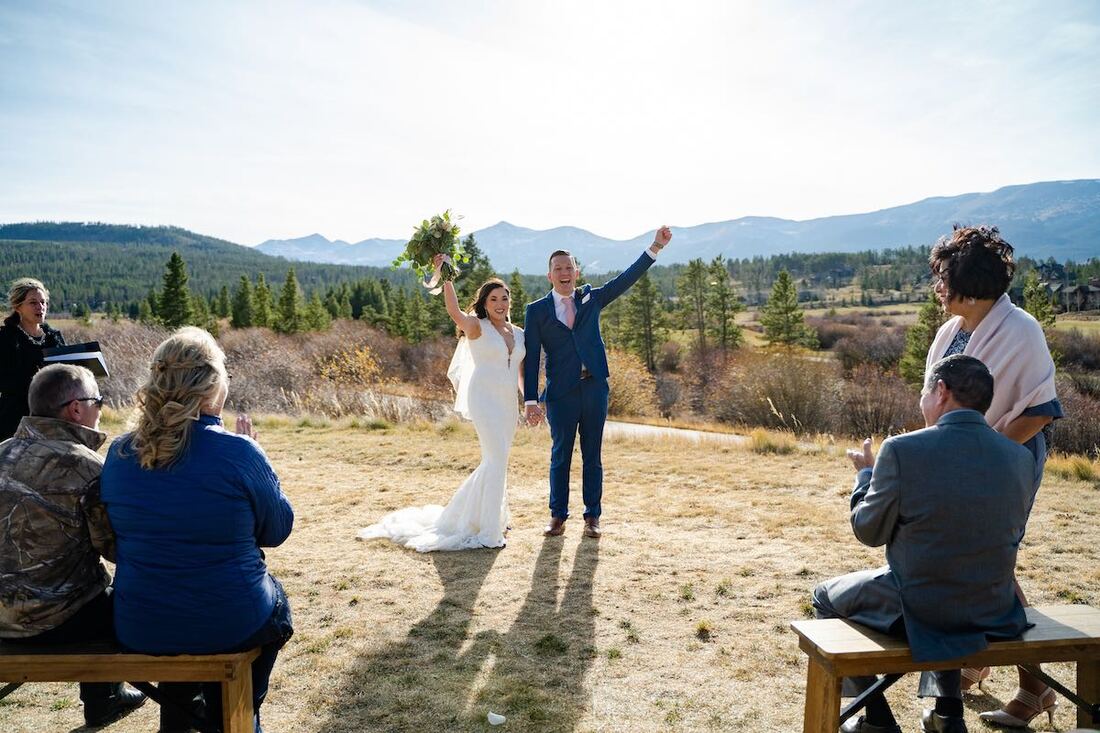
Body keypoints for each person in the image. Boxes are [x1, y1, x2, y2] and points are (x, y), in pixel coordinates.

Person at [812, 355, 1040, 733]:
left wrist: (864, 477)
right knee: (948, 585)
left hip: (922, 608)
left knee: (824, 596)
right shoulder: (1019, 456)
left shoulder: (902, 450)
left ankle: (876, 721)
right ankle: (948, 713)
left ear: (941, 391)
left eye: (923, 392)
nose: (922, 402)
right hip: (995, 609)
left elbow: (868, 531)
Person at [100, 327, 294, 733]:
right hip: (231, 619)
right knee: (277, 605)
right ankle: (235, 715)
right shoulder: (238, 451)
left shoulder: (119, 454)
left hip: (142, 624)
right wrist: (256, 462)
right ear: (212, 383)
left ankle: (181, 719)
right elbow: (276, 530)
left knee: (183, 608)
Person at [924, 225, 1061, 726]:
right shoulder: (950, 332)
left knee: (991, 561)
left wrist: (982, 456)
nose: (937, 287)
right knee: (973, 559)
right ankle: (985, 665)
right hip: (956, 462)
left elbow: (1041, 409)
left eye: (942, 277)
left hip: (1008, 459)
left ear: (968, 281)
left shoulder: (1022, 329)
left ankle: (1029, 687)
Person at [0, 364, 146, 728]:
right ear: (75, 409)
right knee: (130, 593)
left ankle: (108, 695)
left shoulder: (1, 451)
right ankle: (110, 699)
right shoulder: (86, 467)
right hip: (57, 623)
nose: (101, 409)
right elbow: (117, 548)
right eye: (98, 400)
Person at [358, 263, 525, 551]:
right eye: (493, 299)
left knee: (497, 461)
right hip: (484, 399)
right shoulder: (476, 326)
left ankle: (495, 516)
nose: (500, 304)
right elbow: (454, 311)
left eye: (505, 298)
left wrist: (531, 401)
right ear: (484, 303)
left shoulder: (519, 332)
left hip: (509, 403)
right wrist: (445, 275)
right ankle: (489, 530)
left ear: (510, 301)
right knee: (495, 460)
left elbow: (520, 371)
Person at [523, 225, 673, 538]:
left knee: (593, 455)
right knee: (560, 456)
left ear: (576, 272)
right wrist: (531, 400)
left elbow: (625, 280)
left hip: (594, 388)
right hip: (561, 394)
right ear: (549, 275)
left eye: (569, 267)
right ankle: (557, 517)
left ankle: (592, 517)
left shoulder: (592, 299)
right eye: (557, 268)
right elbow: (533, 353)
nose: (564, 272)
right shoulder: (535, 311)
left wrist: (654, 248)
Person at [1, 278, 66, 441]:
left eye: (43, 302)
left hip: (52, 418)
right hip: (14, 419)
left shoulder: (54, 337)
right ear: (18, 307)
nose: (40, 307)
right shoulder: (5, 338)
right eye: (33, 302)